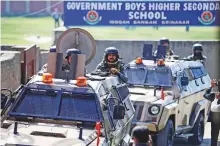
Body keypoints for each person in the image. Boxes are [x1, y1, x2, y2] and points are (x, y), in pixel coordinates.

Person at [203, 79, 220, 146]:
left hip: (215, 119)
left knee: (214, 137)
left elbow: (205, 95)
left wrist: (211, 86)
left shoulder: (214, 95)